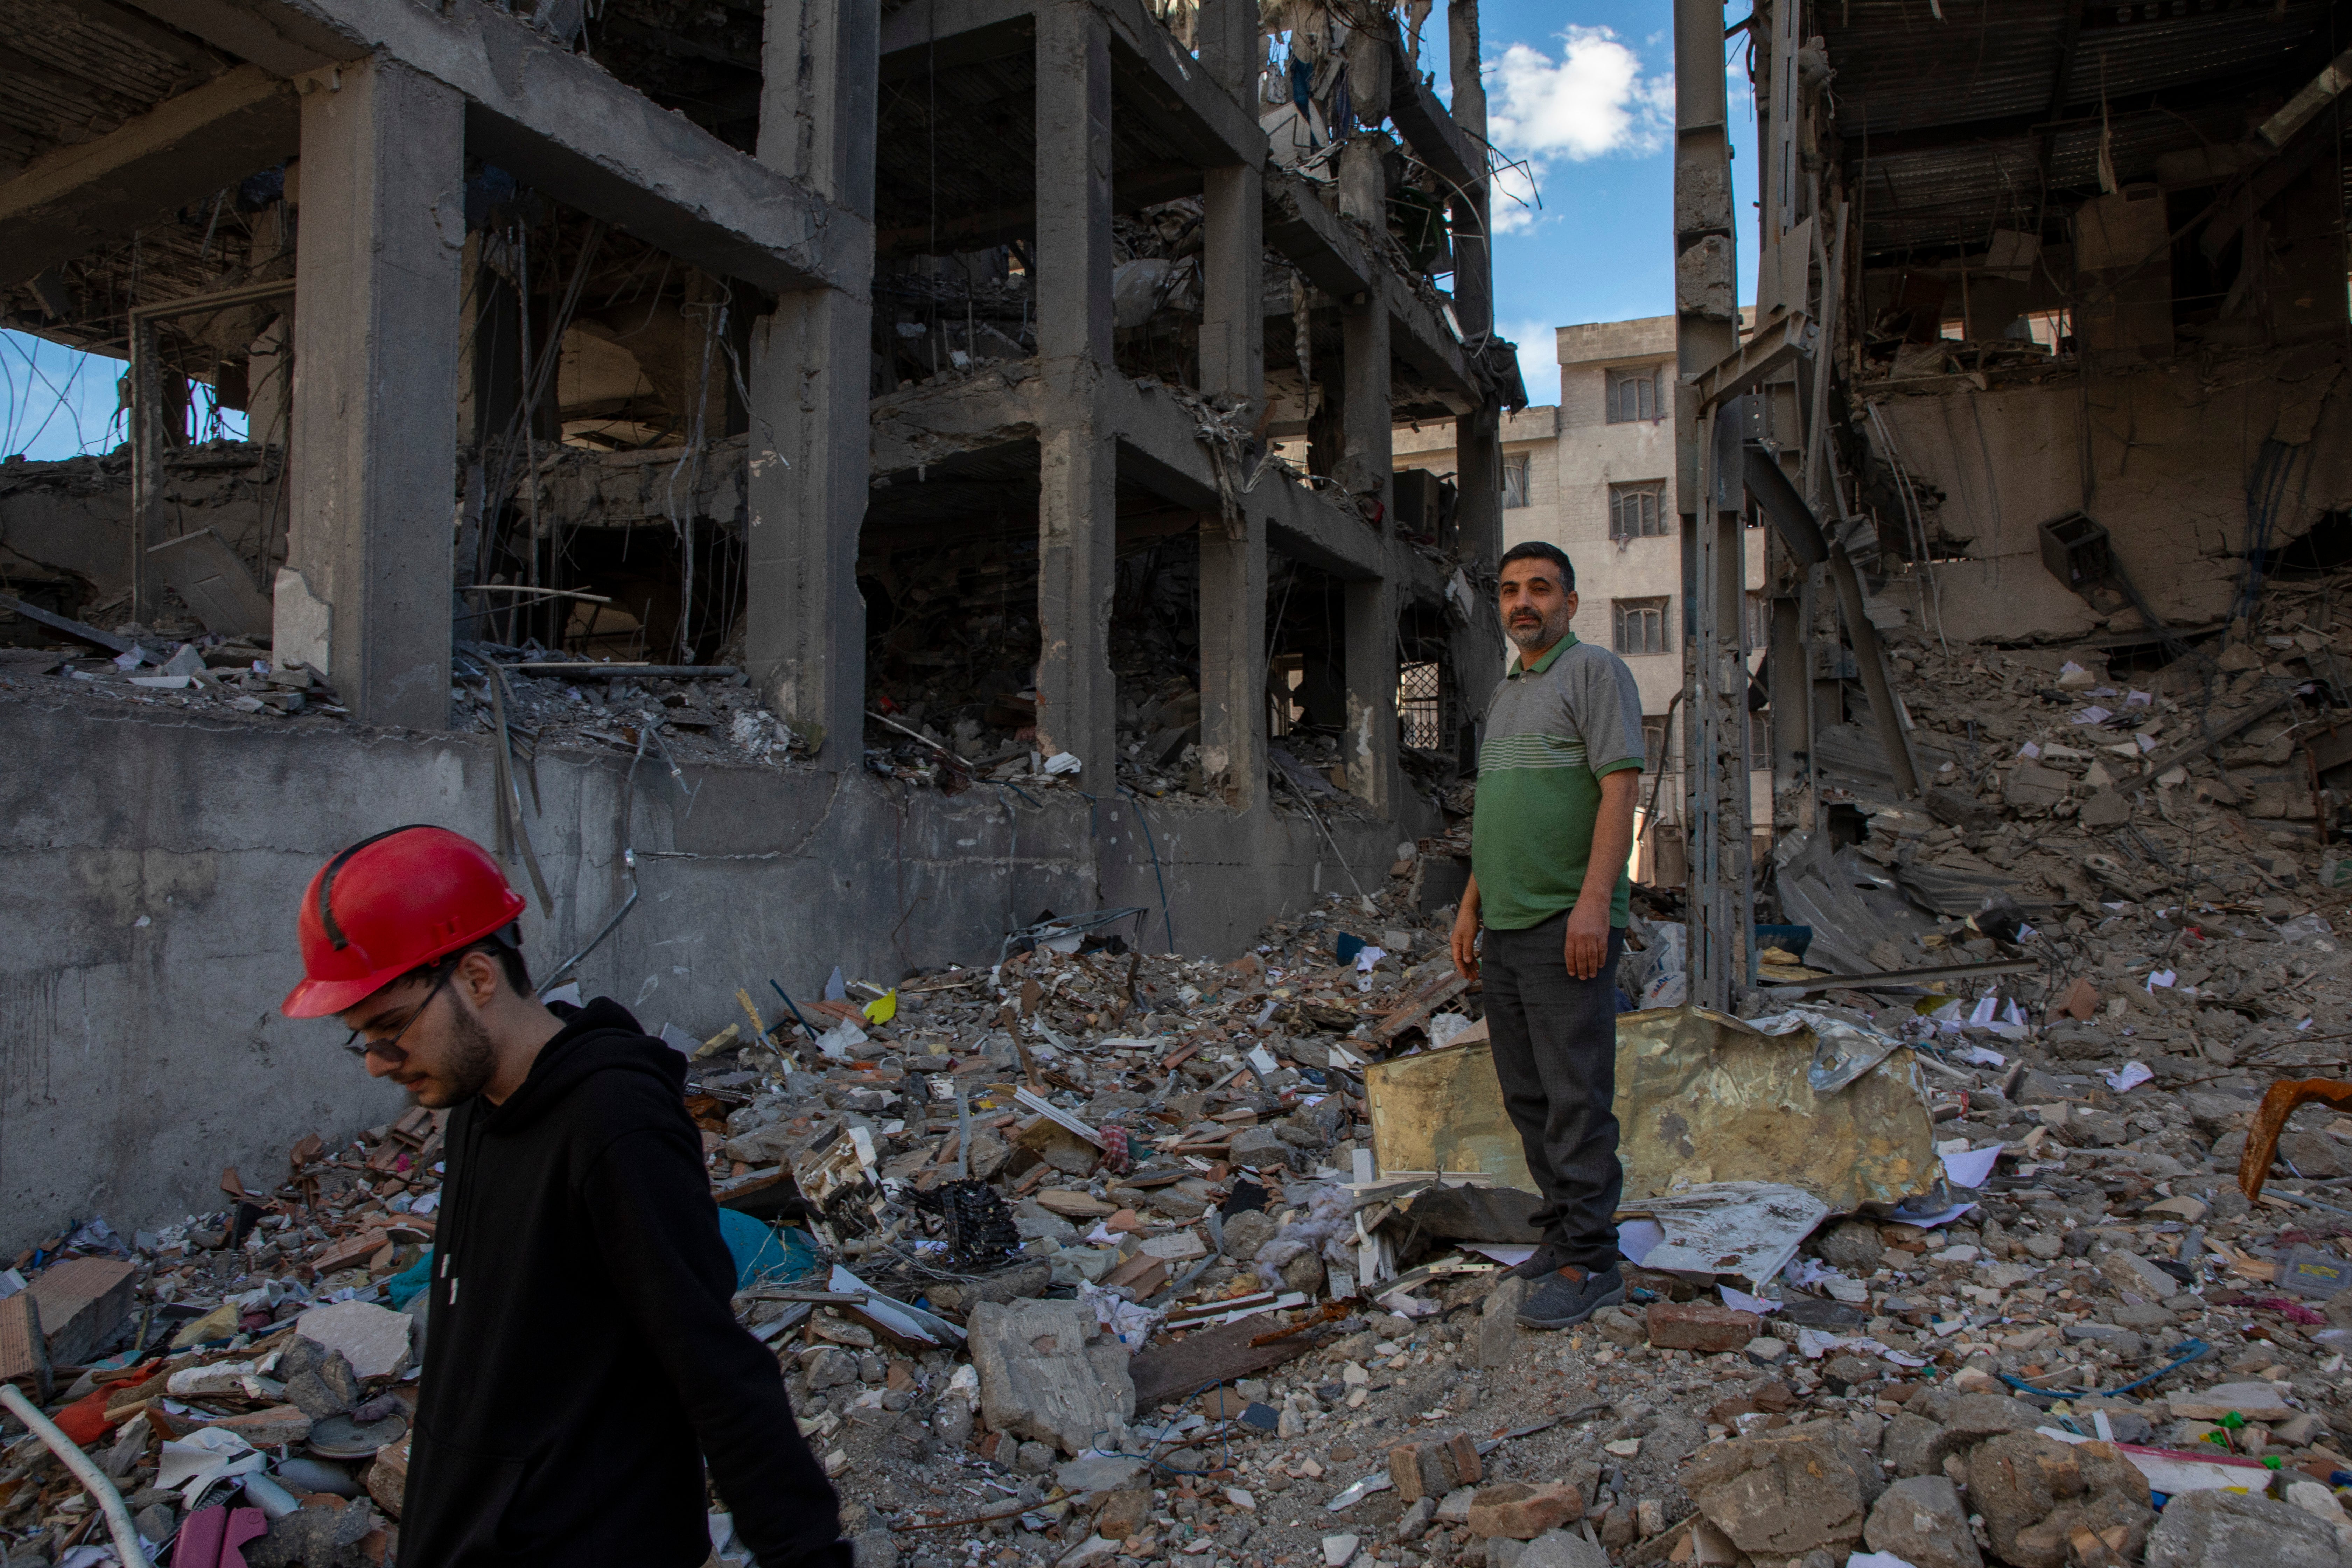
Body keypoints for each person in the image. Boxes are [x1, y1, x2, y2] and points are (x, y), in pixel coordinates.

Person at [280, 824, 849, 1567]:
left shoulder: (615, 1124)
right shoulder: (480, 1111)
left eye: (391, 1027)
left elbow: (714, 1365)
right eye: (364, 1037)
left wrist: (804, 1552)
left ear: (478, 977)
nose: (379, 1063)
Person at [1449, 541, 1644, 1331]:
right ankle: (1561, 1232)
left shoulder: (1594, 672)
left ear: (1570, 600)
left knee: (1575, 1096)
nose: (1523, 602)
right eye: (1509, 590)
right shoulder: (1506, 694)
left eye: (1540, 588)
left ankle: (1592, 1260)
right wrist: (1471, 903)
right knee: (1529, 1094)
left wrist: (1595, 903)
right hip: (1506, 922)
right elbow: (1497, 810)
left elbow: (1620, 789)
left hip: (1569, 921)